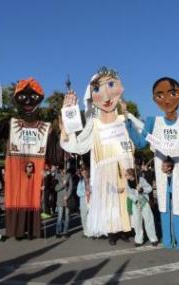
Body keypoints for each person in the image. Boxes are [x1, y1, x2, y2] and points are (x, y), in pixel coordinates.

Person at [124, 77, 179, 252]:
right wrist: (127, 123)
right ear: (154, 99)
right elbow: (142, 143)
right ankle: (168, 240)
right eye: (159, 95)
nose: (166, 99)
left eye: (172, 93)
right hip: (162, 173)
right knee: (165, 207)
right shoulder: (152, 121)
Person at [60, 67, 133, 246]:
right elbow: (82, 139)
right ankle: (111, 232)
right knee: (108, 200)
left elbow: (132, 135)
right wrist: (68, 115)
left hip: (123, 165)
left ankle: (126, 228)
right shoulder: (94, 117)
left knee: (125, 198)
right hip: (104, 166)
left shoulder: (121, 114)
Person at [0, 75, 52, 240]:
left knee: (32, 195)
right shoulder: (10, 124)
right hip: (16, 167)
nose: (28, 102)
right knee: (17, 193)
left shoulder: (45, 127)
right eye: (23, 98)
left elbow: (56, 147)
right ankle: (17, 230)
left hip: (35, 165)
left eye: (33, 98)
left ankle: (32, 229)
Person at [125, 168, 158, 247]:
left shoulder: (141, 180)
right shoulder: (127, 183)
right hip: (135, 203)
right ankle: (138, 240)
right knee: (137, 222)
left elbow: (149, 188)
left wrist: (142, 189)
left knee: (149, 220)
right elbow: (129, 194)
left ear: (131, 175)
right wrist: (135, 200)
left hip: (144, 202)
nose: (125, 176)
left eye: (126, 174)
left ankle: (153, 238)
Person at [55, 167, 73, 238]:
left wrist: (67, 196)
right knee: (60, 216)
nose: (64, 170)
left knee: (67, 216)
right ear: (60, 170)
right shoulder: (57, 176)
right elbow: (56, 188)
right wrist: (63, 184)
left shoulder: (69, 175)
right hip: (60, 199)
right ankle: (58, 231)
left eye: (65, 169)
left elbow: (71, 187)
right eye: (62, 169)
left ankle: (66, 231)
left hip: (67, 199)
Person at [76, 167, 91, 236]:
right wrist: (85, 193)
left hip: (91, 201)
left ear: (88, 172)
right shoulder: (81, 181)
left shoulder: (92, 179)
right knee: (84, 217)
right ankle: (86, 231)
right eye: (82, 173)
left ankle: (91, 230)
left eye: (85, 172)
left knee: (91, 216)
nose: (84, 174)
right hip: (84, 201)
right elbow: (78, 192)